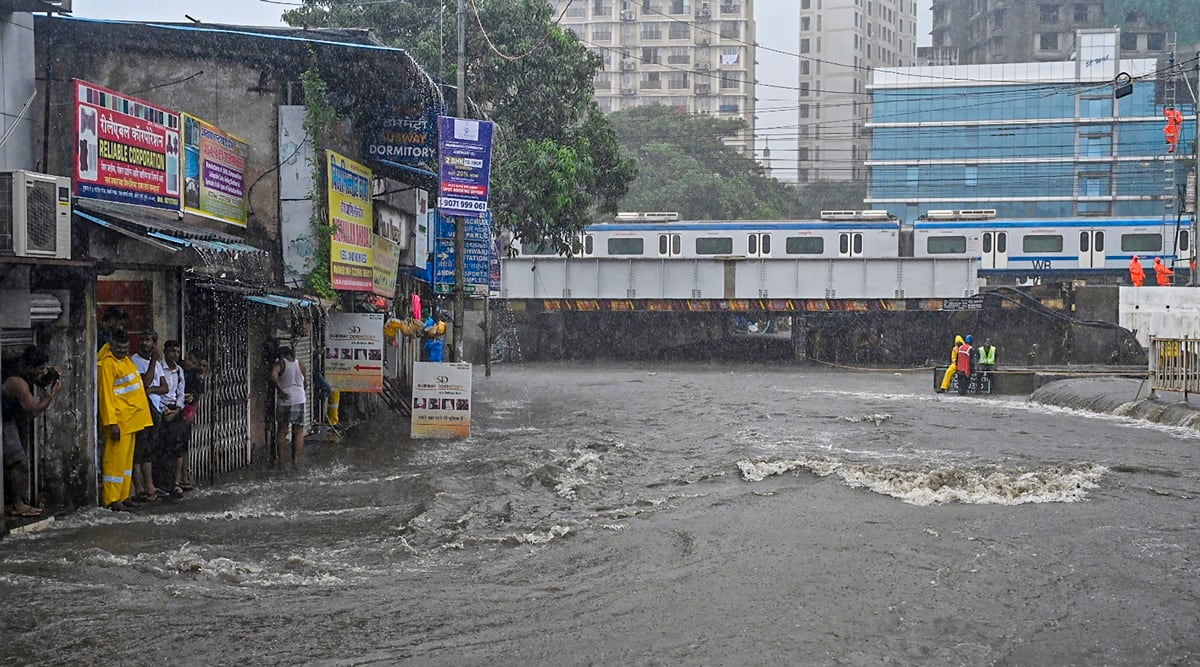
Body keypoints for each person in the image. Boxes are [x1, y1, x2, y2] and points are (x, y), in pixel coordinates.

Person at [2, 346, 63, 518]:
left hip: (11, 419)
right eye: (40, 369)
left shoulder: (22, 369)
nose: (42, 372)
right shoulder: (18, 383)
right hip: (5, 421)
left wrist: (50, 376)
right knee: (18, 462)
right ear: (29, 367)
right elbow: (33, 411)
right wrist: (52, 395)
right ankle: (17, 504)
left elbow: (39, 380)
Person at [97, 330, 154, 511]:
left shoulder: (125, 360)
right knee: (114, 463)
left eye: (125, 348)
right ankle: (112, 500)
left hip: (132, 420)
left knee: (126, 463)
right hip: (119, 422)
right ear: (111, 345)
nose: (122, 351)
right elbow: (105, 396)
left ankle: (123, 495)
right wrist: (111, 423)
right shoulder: (107, 364)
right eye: (119, 348)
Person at [130, 329, 168, 502]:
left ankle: (150, 485)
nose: (145, 343)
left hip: (155, 411)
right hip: (140, 411)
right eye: (143, 339)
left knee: (149, 451)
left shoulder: (157, 365)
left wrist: (152, 389)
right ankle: (139, 488)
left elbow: (164, 387)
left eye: (149, 340)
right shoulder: (134, 361)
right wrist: (153, 361)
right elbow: (144, 383)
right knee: (138, 451)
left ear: (154, 343)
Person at [153, 340, 187, 497]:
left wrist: (178, 409)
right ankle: (161, 484)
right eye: (172, 351)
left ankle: (176, 483)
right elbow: (155, 390)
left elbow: (181, 392)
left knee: (178, 448)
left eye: (177, 352)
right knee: (161, 448)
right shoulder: (158, 368)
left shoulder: (179, 371)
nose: (175, 354)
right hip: (161, 409)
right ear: (165, 352)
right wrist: (164, 409)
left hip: (175, 410)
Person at [271, 346, 306, 469]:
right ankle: (295, 461)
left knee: (282, 430)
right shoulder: (301, 365)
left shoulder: (280, 363)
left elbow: (273, 375)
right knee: (298, 430)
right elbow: (304, 384)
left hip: (285, 398)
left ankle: (281, 460)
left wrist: (279, 388)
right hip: (299, 398)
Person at [177, 349, 207, 490]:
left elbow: (197, 399)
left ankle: (184, 477)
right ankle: (177, 480)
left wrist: (191, 413)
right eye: (188, 359)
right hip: (173, 410)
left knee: (184, 447)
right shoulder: (177, 369)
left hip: (185, 413)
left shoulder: (196, 377)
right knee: (177, 448)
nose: (189, 363)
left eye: (193, 362)